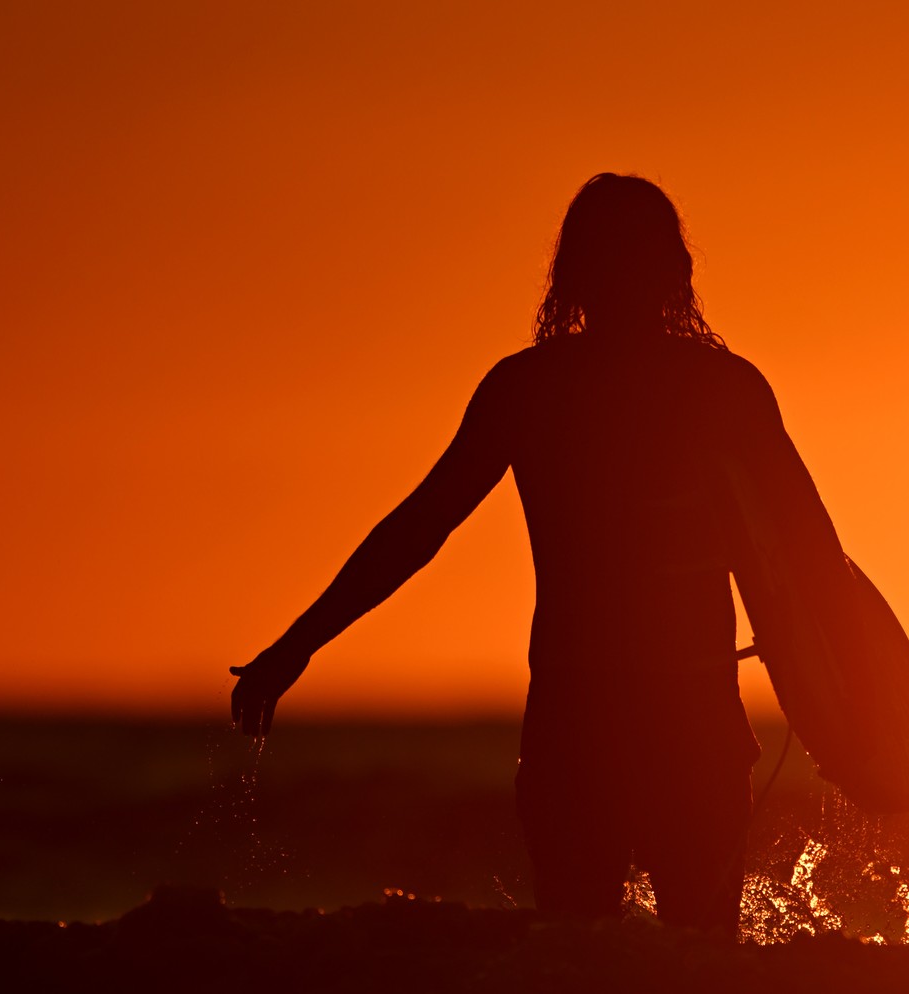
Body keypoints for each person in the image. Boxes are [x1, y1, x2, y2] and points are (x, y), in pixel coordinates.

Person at [229, 173, 817, 935]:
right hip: (677, 727)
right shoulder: (719, 390)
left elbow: (418, 530)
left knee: (578, 963)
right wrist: (833, 700)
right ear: (677, 270)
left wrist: (294, 648)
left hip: (587, 726)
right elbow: (808, 555)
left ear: (568, 274)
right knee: (699, 969)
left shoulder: (534, 389)